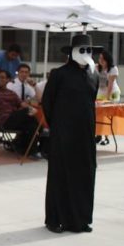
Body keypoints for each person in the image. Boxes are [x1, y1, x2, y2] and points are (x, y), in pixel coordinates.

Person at [42, 34, 100, 234]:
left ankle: (80, 220)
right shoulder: (59, 74)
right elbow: (47, 102)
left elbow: (90, 102)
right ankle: (55, 219)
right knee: (60, 176)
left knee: (84, 175)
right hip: (63, 135)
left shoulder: (94, 75)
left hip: (85, 136)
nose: (86, 54)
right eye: (82, 50)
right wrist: (58, 127)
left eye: (89, 50)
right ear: (73, 52)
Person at [0, 70, 40, 156]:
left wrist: (31, 109)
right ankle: (39, 128)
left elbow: (22, 104)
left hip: (14, 119)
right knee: (27, 113)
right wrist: (29, 109)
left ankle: (31, 151)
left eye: (3, 78)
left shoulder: (11, 93)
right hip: (4, 120)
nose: (0, 79)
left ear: (8, 80)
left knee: (32, 125)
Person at [95, 50, 121, 145]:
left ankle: (106, 137)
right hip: (101, 92)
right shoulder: (97, 67)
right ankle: (98, 135)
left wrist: (107, 100)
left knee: (107, 115)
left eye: (103, 59)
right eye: (100, 58)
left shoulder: (113, 69)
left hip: (112, 93)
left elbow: (110, 86)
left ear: (107, 60)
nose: (100, 60)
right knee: (98, 114)